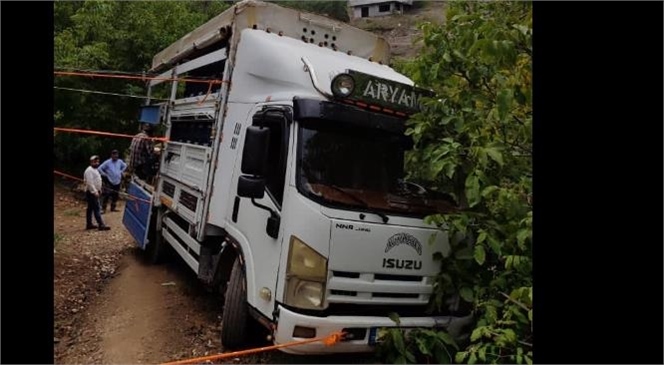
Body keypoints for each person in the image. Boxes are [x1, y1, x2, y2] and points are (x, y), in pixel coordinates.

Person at [83, 155, 111, 231]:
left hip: (95, 191)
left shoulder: (95, 170)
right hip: (91, 192)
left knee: (90, 209)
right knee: (97, 208)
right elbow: (90, 183)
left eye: (97, 161)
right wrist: (94, 191)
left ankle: (89, 224)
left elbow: (97, 180)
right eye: (95, 161)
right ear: (91, 162)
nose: (96, 163)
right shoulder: (89, 170)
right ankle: (101, 224)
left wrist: (99, 189)